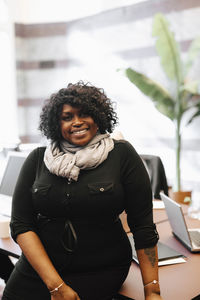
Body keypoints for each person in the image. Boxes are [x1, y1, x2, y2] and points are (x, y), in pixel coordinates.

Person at [2, 81, 163, 300]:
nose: (77, 122)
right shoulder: (38, 159)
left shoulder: (122, 155)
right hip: (40, 269)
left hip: (100, 268)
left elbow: (143, 227)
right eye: (67, 117)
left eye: (85, 114)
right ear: (56, 123)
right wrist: (55, 285)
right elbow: (21, 224)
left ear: (98, 117)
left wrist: (152, 290)